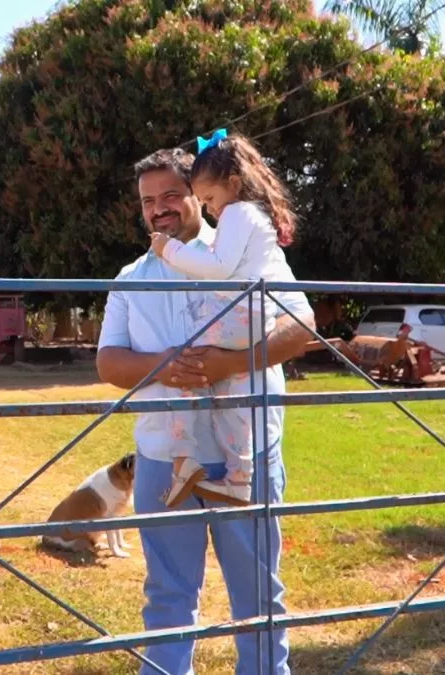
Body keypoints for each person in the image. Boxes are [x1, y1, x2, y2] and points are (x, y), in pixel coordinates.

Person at [96, 146, 316, 674]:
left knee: (259, 599)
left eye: (171, 194)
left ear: (199, 194)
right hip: (163, 458)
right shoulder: (131, 278)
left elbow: (302, 326)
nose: (159, 208)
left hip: (247, 456)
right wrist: (167, 367)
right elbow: (109, 361)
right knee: (168, 601)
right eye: (148, 201)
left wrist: (230, 363)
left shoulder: (247, 250)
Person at [146, 129, 302, 509]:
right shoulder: (254, 216)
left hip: (243, 317)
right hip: (254, 319)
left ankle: (184, 459)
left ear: (233, 184)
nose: (212, 208)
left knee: (188, 362)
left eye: (209, 199)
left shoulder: (237, 213)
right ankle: (240, 478)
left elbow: (219, 266)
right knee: (236, 393)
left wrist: (169, 250)